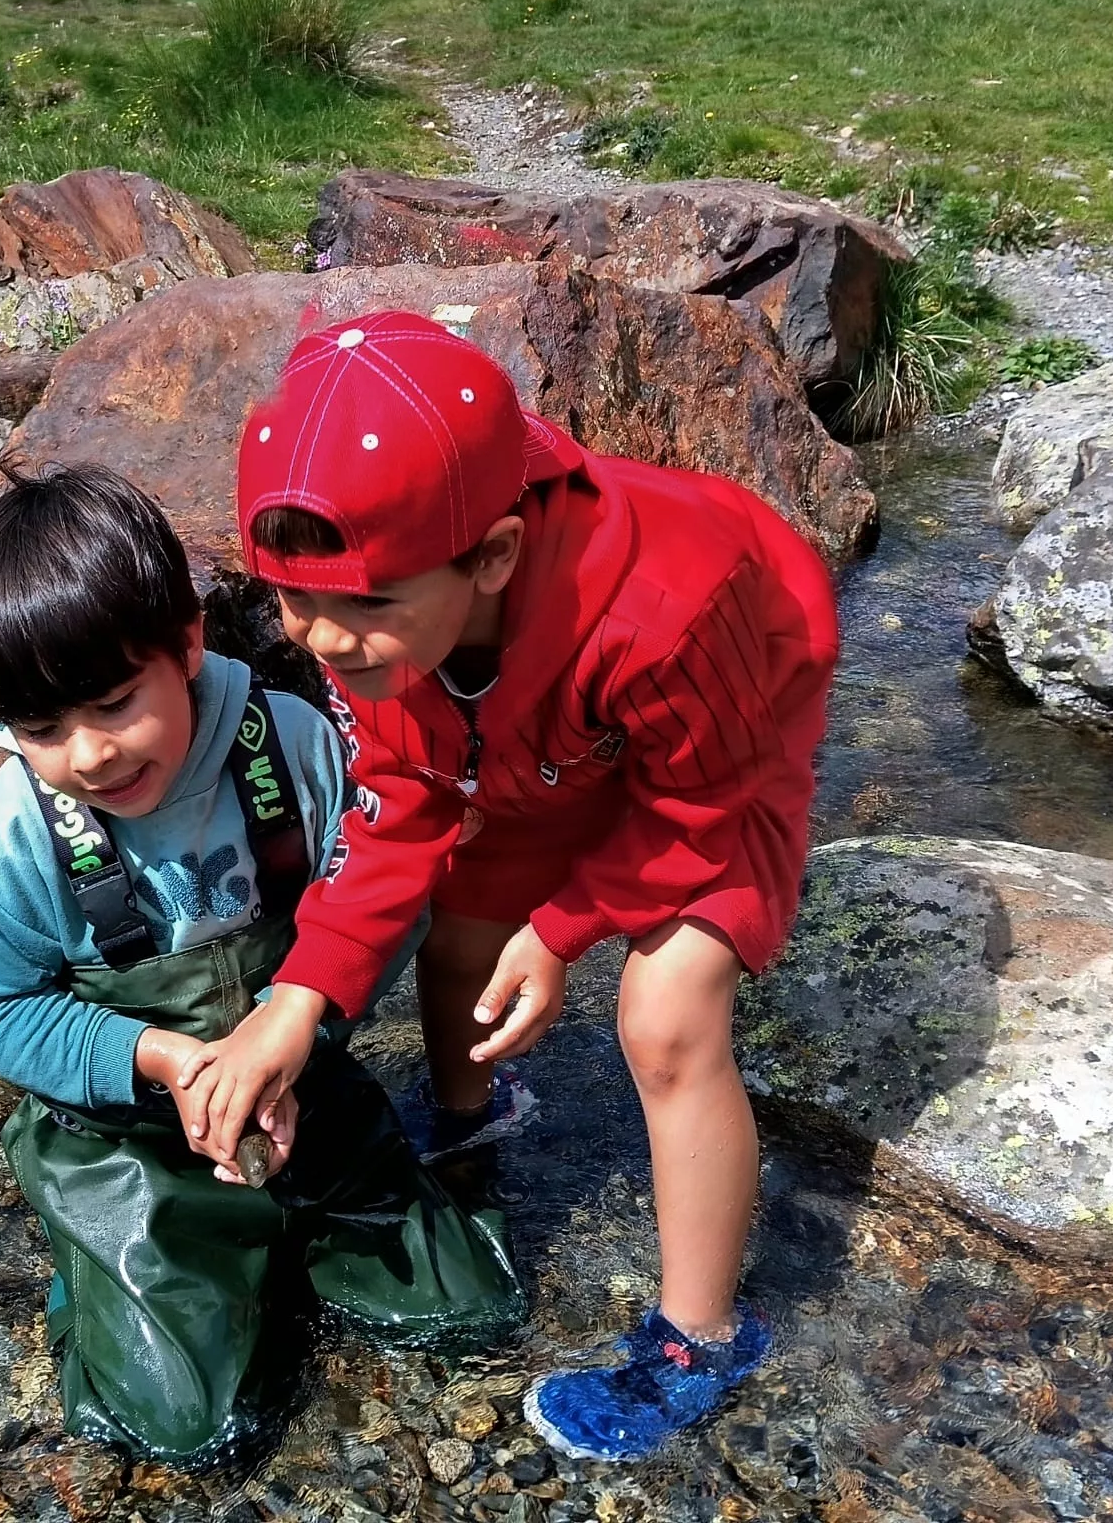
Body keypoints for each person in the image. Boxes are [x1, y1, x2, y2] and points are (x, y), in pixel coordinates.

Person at [191, 312, 840, 1461]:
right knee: (459, 943)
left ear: (492, 554)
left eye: (364, 609)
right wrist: (293, 1004)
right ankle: (472, 1117)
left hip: (726, 724)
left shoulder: (673, 604)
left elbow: (699, 811)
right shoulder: (386, 624)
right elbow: (395, 814)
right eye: (289, 603)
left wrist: (566, 925)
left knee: (667, 1017)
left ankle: (704, 1337)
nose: (323, 642)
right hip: (531, 723)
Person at [0, 462, 522, 1464]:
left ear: (189, 644)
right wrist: (163, 1060)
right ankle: (118, 1274)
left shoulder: (289, 746)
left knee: (470, 1313)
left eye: (117, 704)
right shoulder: (16, 835)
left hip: (299, 1083)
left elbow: (383, 910)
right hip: (126, 1130)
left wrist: (297, 1039)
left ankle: (275, 1247)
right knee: (187, 1427)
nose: (89, 754)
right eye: (42, 731)